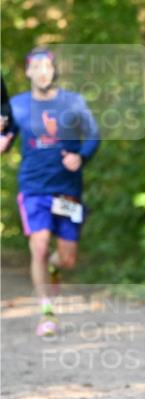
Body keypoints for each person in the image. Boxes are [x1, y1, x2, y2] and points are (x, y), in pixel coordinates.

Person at [0, 47, 101, 336]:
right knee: (40, 245)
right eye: (37, 67)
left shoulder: (73, 102)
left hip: (68, 191)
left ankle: (54, 269)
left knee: (66, 258)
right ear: (28, 71)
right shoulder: (17, 106)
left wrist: (81, 156)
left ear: (54, 71)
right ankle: (46, 311)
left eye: (48, 66)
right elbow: (5, 135)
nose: (43, 71)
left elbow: (93, 134)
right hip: (33, 188)